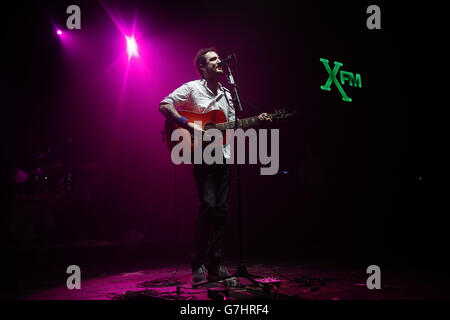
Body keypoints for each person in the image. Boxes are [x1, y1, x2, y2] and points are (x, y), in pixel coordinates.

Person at [159, 47, 270, 283]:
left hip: (224, 157)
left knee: (222, 211)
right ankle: (197, 262)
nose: (219, 61)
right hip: (202, 157)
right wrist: (188, 125)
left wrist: (256, 122)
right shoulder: (192, 88)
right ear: (202, 67)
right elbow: (164, 105)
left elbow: (229, 126)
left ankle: (216, 263)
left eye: (219, 58)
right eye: (213, 59)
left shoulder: (229, 95)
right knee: (208, 206)